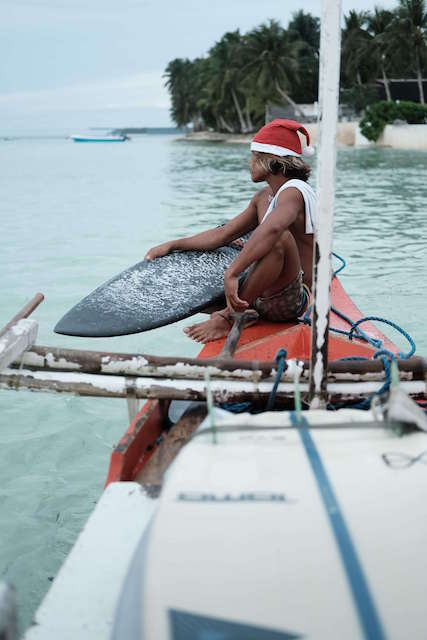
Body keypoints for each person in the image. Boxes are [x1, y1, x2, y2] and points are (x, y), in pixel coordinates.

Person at [145, 119, 317, 343]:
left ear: (270, 160)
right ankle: (243, 310)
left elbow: (275, 229)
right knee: (235, 247)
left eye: (254, 156)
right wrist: (172, 245)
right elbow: (223, 234)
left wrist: (233, 272)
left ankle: (228, 317)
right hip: (260, 296)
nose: (250, 162)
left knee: (277, 238)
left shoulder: (295, 191)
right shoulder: (263, 197)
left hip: (292, 300)